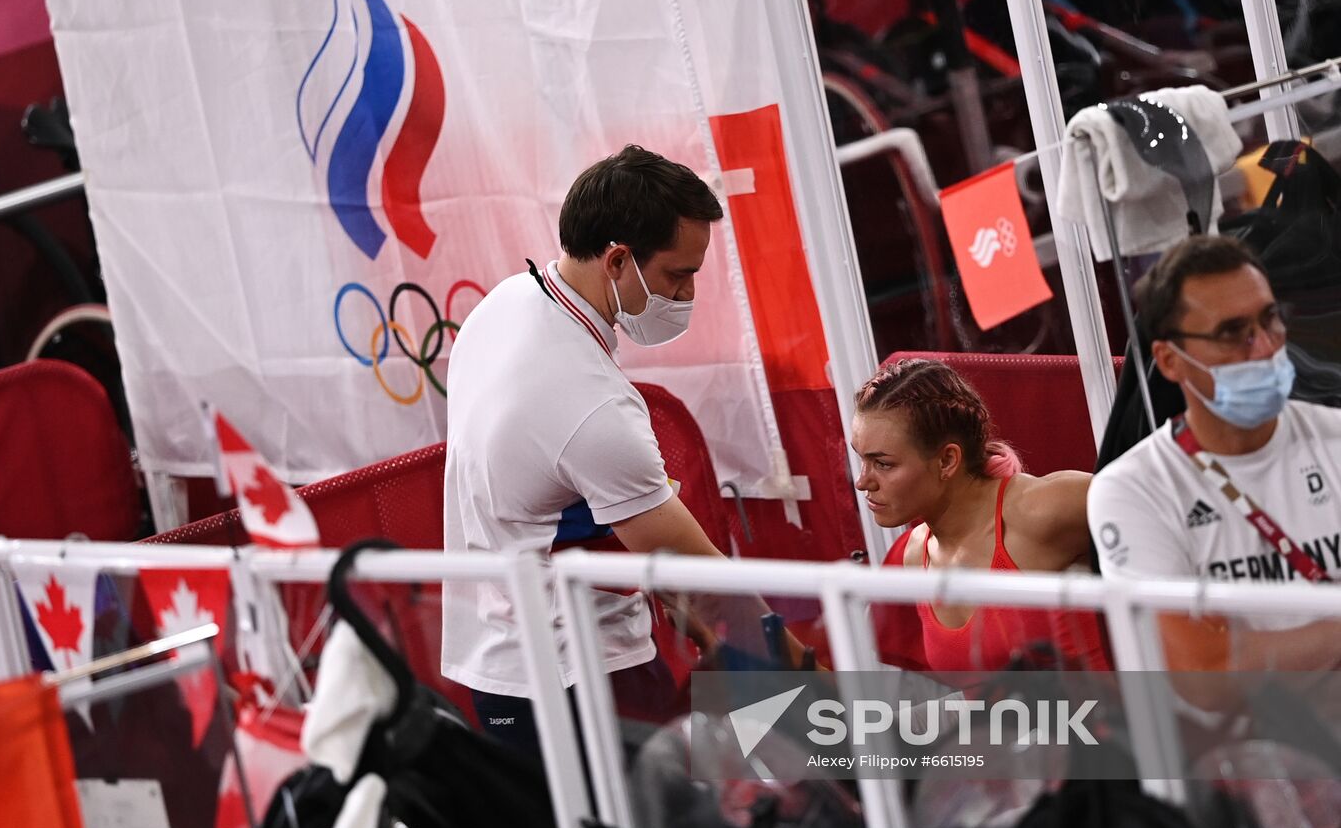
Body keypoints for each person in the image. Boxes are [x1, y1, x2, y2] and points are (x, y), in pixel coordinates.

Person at [441, 144, 784, 754]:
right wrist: (796, 660)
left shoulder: (503, 306)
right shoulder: (591, 403)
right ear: (619, 259)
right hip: (583, 677)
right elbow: (697, 572)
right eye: (679, 275)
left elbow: (553, 504)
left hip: (499, 664)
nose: (687, 295)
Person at [1089, 234, 1341, 675]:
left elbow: (1226, 660)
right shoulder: (1132, 489)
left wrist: (1249, 650)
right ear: (1169, 361)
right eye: (1232, 333)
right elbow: (1203, 674)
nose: (1263, 347)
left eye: (1270, 320)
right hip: (1246, 741)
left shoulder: (1334, 439)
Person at [854, 358, 1110, 672]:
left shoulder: (1039, 511)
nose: (862, 481)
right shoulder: (912, 555)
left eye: (883, 464)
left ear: (947, 460)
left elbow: (1170, 505)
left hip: (1103, 719)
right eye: (862, 460)